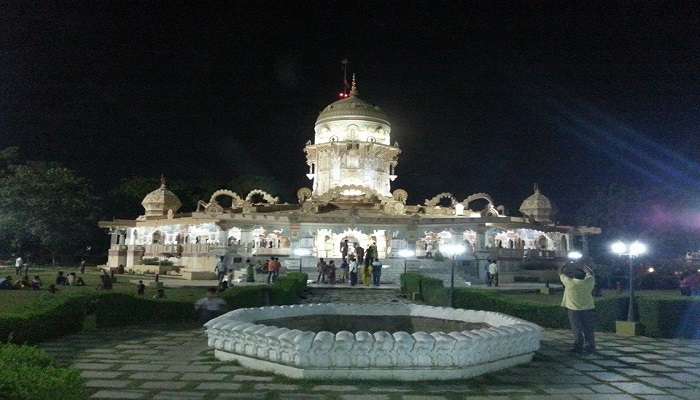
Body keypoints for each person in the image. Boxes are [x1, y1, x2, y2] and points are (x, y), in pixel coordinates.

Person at [559, 263, 596, 354]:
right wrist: (584, 267)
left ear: (574, 276)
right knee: (588, 328)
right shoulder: (589, 281)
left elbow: (560, 273)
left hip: (573, 309)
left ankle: (578, 346)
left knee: (577, 329)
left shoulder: (569, 283)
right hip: (588, 308)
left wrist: (565, 264)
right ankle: (590, 346)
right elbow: (591, 273)